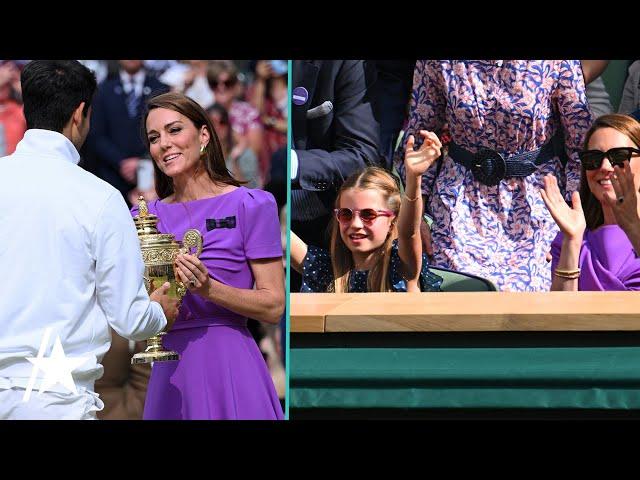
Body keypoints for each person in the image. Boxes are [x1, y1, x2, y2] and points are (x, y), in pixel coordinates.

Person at [0, 60, 178, 420]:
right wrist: (162, 307)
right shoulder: (100, 197)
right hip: (56, 399)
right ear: (81, 113)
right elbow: (131, 319)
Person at [133, 91, 284, 420]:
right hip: (168, 371)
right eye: (154, 137)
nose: (164, 144)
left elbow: (273, 306)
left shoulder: (252, 204)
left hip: (231, 365)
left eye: (174, 130)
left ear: (203, 135)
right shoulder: (142, 218)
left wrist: (209, 289)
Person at [394, 60, 593, 291]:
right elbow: (419, 140)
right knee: (457, 294)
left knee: (532, 300)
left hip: (537, 201)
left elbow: (581, 145)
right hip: (460, 200)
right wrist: (417, 217)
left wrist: (571, 211)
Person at [291, 130, 443, 293]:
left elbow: (409, 233)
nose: (355, 224)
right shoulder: (326, 270)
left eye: (368, 214)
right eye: (346, 214)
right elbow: (278, 232)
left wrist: (413, 178)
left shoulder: (401, 267)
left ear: (392, 221)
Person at [290, 60, 382, 291]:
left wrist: (295, 163)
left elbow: (363, 156)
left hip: (326, 227)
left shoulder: (344, 64)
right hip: (264, 222)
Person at [541, 113, 640, 291]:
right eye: (593, 159)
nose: (605, 167)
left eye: (619, 156)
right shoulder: (573, 235)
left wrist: (633, 227)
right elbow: (561, 314)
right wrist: (572, 241)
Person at [87, 60, 169, 205]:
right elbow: (96, 135)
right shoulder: (103, 91)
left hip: (152, 179)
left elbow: (164, 130)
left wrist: (143, 161)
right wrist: (122, 163)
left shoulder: (160, 89)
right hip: (111, 178)